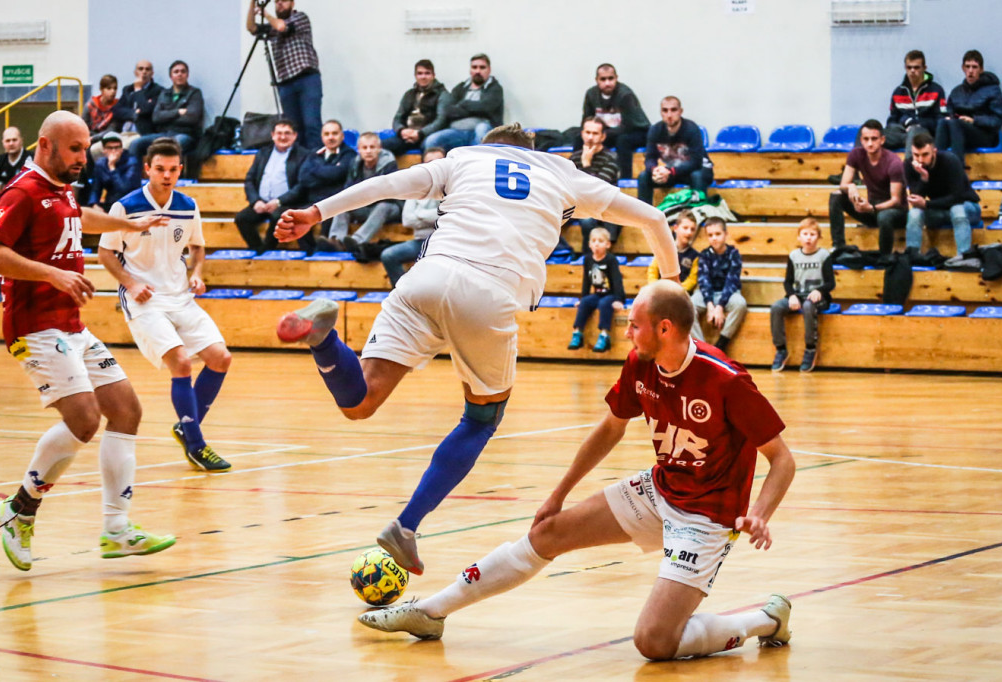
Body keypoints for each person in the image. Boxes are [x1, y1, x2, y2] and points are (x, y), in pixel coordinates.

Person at [273, 123, 680, 575]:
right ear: (530, 151)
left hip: (426, 276)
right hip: (488, 292)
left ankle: (322, 336)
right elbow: (655, 219)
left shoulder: (463, 158)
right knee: (482, 417)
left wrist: (314, 212)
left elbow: (385, 185)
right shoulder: (562, 172)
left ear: (490, 147)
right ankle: (406, 525)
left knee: (361, 401)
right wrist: (671, 285)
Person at [358, 280, 796, 663]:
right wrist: (557, 494)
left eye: (635, 325)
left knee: (655, 642)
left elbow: (782, 459)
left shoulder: (725, 380)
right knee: (547, 534)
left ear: (665, 328)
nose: (627, 333)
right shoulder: (641, 363)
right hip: (660, 490)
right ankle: (431, 612)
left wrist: (759, 512)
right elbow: (610, 429)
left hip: (707, 518)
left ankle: (764, 620)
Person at [0, 111, 176, 571]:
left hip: (69, 324)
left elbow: (74, 216)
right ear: (45, 145)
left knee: (126, 409)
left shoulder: (59, 187)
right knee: (85, 419)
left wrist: (126, 226)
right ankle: (20, 508)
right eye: (74, 149)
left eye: (85, 148)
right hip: (34, 324)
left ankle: (117, 530)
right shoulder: (24, 190)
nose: (82, 158)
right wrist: (53, 273)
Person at [98, 137, 233, 472]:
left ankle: (187, 426)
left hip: (180, 296)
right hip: (144, 301)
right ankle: (196, 444)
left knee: (220, 358)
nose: (167, 175)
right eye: (160, 169)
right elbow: (105, 253)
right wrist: (131, 283)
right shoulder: (126, 207)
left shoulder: (187, 205)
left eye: (173, 169)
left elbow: (197, 247)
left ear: (180, 170)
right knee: (183, 363)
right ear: (147, 169)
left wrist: (197, 273)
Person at [246, 0, 322, 149]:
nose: (280, 3)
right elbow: (251, 27)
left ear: (292, 3)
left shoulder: (300, 18)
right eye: (277, 1)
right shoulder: (272, 26)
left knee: (311, 124)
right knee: (293, 129)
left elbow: (282, 27)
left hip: (306, 78)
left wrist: (264, 13)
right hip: (286, 83)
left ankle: (315, 163)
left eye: (284, 0)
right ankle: (299, 165)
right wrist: (252, 3)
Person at [828, 119, 907, 257]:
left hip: (895, 212)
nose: (870, 143)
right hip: (872, 208)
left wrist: (872, 208)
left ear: (882, 140)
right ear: (861, 140)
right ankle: (838, 245)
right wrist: (850, 187)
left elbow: (896, 201)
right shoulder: (856, 154)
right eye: (866, 139)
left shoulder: (894, 162)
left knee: (884, 216)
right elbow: (843, 185)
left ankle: (885, 256)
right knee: (836, 196)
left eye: (874, 139)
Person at [905, 131, 982, 267]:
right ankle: (912, 257)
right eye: (916, 155)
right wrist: (924, 178)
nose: (920, 160)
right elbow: (916, 197)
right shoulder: (909, 165)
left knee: (957, 210)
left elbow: (957, 197)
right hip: (939, 211)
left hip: (968, 208)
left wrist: (927, 204)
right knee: (914, 213)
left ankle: (964, 258)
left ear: (934, 151)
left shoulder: (950, 160)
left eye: (925, 155)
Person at [233, 119, 308, 254]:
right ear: (273, 135)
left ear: (295, 136)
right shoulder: (263, 153)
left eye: (287, 133)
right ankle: (258, 249)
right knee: (241, 218)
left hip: (287, 204)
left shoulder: (303, 155)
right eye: (279, 133)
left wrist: (279, 201)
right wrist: (255, 201)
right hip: (261, 203)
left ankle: (267, 251)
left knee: (277, 216)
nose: (283, 137)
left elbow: (302, 186)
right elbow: (249, 180)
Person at [770, 218, 835, 373]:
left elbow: (831, 283)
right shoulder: (793, 256)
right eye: (805, 234)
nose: (808, 237)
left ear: (818, 237)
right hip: (798, 296)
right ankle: (781, 349)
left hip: (818, 299)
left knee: (807, 306)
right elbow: (787, 282)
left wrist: (820, 291)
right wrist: (791, 295)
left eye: (812, 234)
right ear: (798, 236)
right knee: (776, 308)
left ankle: (810, 349)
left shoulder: (824, 256)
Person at [326, 132, 401, 257]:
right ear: (359, 150)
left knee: (383, 206)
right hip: (364, 205)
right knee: (342, 205)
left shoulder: (389, 164)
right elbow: (348, 189)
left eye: (372, 147)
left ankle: (357, 240)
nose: (368, 151)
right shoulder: (355, 164)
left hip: (389, 207)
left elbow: (388, 194)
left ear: (379, 149)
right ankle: (336, 240)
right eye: (365, 148)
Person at [380, 147, 445, 286]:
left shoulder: (452, 187)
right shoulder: (417, 187)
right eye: (429, 162)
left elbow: (447, 215)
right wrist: (432, 217)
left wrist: (419, 216)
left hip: (443, 242)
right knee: (388, 255)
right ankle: (403, 295)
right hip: (419, 241)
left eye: (438, 162)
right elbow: (407, 220)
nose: (433, 166)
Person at [580, 64, 650, 179]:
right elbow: (587, 119)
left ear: (616, 78)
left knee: (623, 141)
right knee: (581, 137)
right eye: (603, 79)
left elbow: (629, 125)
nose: (607, 83)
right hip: (608, 132)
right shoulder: (591, 94)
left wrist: (602, 134)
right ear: (597, 80)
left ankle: (624, 179)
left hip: (636, 131)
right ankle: (580, 173)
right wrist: (590, 135)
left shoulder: (625, 95)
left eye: (610, 78)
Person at [423, 54, 504, 152]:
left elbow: (486, 108)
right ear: (470, 70)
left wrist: (463, 104)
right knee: (432, 141)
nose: (478, 71)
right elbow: (448, 110)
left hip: (482, 130)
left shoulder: (495, 89)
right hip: (457, 132)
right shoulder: (460, 88)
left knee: (481, 128)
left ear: (489, 70)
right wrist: (475, 108)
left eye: (482, 67)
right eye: (474, 67)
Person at [637, 96, 713, 202]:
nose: (669, 115)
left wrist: (669, 171)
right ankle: (644, 216)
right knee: (644, 176)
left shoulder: (691, 129)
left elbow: (696, 162)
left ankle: (698, 213)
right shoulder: (655, 130)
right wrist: (655, 170)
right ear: (661, 112)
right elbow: (649, 158)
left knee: (697, 175)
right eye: (665, 110)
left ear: (680, 111)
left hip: (698, 170)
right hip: (672, 172)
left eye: (673, 110)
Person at [936, 49, 1002, 164]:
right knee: (943, 122)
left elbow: (997, 120)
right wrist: (949, 117)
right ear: (963, 68)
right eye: (967, 67)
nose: (970, 71)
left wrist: (974, 120)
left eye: (974, 67)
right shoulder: (956, 91)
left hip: (984, 135)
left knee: (956, 124)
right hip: (958, 132)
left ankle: (957, 172)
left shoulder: (993, 90)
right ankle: (936, 170)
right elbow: (948, 112)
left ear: (981, 69)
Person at [298, 119, 357, 250]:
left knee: (328, 212)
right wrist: (327, 173)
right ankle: (309, 253)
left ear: (342, 136)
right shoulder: (314, 153)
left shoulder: (349, 155)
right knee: (298, 216)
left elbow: (336, 174)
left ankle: (323, 250)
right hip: (313, 201)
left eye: (334, 133)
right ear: (322, 137)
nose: (331, 137)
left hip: (334, 201)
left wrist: (315, 170)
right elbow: (303, 177)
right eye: (327, 134)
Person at [130, 60, 204, 163]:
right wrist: (178, 112)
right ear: (171, 76)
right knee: (136, 144)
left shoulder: (194, 93)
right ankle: (134, 177)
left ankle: (169, 177)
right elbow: (156, 117)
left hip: (185, 134)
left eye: (183, 71)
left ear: (187, 75)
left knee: (174, 144)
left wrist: (166, 116)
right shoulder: (164, 93)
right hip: (163, 134)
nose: (180, 74)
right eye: (176, 72)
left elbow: (192, 118)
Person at [691, 218, 745, 353]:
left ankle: (721, 344)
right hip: (706, 294)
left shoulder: (734, 254)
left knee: (740, 304)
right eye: (710, 235)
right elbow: (704, 281)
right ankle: (702, 348)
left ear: (725, 234)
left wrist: (720, 306)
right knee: (689, 306)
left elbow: (731, 282)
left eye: (718, 234)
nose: (714, 238)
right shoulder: (704, 255)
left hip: (727, 293)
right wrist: (710, 305)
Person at [568, 226, 625, 353]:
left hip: (611, 295)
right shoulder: (588, 259)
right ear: (589, 244)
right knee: (586, 302)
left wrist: (620, 300)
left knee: (604, 303)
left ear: (608, 244)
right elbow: (586, 281)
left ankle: (604, 335)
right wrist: (583, 298)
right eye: (593, 241)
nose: (596, 244)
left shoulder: (610, 259)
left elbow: (617, 281)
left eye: (600, 241)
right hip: (597, 294)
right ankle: (577, 333)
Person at [570, 117, 621, 253]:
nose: (590, 137)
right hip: (580, 203)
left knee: (587, 221)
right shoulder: (574, 158)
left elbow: (598, 187)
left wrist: (586, 164)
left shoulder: (612, 157)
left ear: (603, 136)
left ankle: (590, 257)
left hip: (605, 203)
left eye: (595, 133)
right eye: (587, 132)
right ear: (582, 134)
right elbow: (569, 184)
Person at [382, 60, 451, 156]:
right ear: (415, 76)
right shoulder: (409, 94)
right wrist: (402, 131)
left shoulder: (443, 95)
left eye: (427, 73)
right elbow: (398, 118)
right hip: (406, 136)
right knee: (380, 146)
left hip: (428, 136)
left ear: (433, 75)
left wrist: (420, 133)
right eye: (420, 73)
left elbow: (441, 121)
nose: (423, 77)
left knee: (430, 147)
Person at [885, 50, 947, 152]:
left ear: (924, 68)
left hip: (926, 135)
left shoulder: (936, 90)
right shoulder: (898, 92)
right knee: (870, 132)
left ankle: (909, 167)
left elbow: (941, 121)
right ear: (905, 68)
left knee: (914, 132)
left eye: (916, 67)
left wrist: (919, 124)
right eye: (909, 67)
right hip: (902, 133)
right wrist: (906, 122)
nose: (912, 71)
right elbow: (891, 120)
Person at [0, 127, 32, 232]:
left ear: (21, 140)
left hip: (25, 203)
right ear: (3, 143)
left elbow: (31, 190)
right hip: (3, 202)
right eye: (8, 141)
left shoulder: (30, 159)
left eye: (14, 140)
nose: (11, 143)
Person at [647, 209, 698, 295]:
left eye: (692, 229)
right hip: (660, 292)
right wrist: (656, 287)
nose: (689, 232)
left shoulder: (695, 256)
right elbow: (653, 271)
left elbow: (692, 280)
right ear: (675, 228)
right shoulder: (663, 249)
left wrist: (677, 290)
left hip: (681, 294)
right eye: (685, 228)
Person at [87, 132, 142, 211]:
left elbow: (124, 188)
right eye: (110, 148)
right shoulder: (101, 164)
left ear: (122, 149)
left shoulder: (132, 162)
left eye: (117, 148)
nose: (113, 151)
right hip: (111, 203)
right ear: (104, 150)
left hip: (130, 203)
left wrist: (112, 167)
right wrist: (94, 204)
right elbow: (96, 188)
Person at [82, 74, 134, 145]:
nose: (113, 91)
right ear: (101, 90)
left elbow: (112, 130)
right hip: (90, 137)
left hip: (108, 138)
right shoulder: (91, 105)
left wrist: (94, 138)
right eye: (109, 88)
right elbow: (83, 126)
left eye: (115, 88)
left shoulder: (117, 107)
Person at [120, 60, 164, 138]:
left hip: (142, 132)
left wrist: (138, 89)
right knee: (96, 147)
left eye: (147, 69)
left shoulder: (159, 90)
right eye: (141, 69)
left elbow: (146, 109)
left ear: (152, 73)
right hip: (123, 131)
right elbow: (117, 110)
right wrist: (134, 113)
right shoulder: (127, 89)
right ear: (135, 73)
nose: (144, 72)